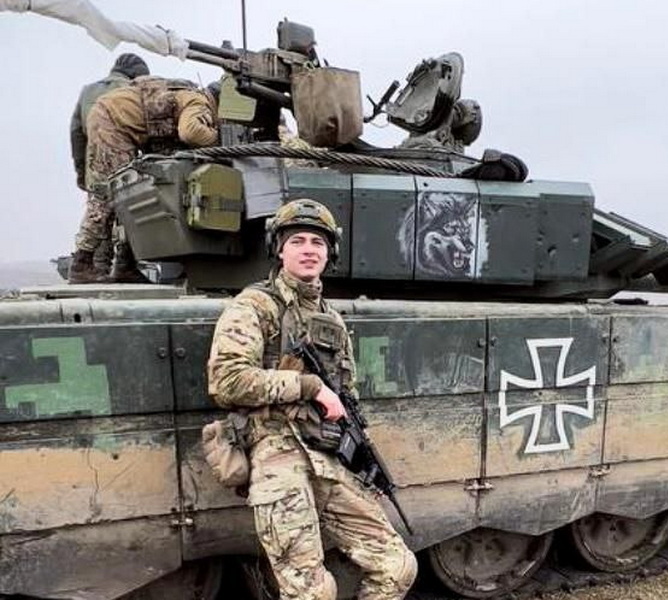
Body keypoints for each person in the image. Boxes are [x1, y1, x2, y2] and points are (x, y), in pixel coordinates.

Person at [207, 199, 417, 600]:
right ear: (279, 249)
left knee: (397, 566)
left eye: (318, 242)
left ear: (329, 253)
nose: (308, 249)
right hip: (276, 454)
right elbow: (227, 381)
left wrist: (362, 463)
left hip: (326, 456)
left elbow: (347, 398)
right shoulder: (255, 306)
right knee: (312, 592)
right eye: (297, 241)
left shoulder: (331, 319)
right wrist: (310, 387)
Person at [68, 77, 221, 284]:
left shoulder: (184, 94)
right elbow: (190, 131)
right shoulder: (200, 102)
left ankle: (125, 264)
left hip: (113, 117)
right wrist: (216, 139)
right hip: (113, 122)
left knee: (132, 196)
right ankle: (81, 263)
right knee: (110, 194)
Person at [70, 54, 150, 277]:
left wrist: (81, 171)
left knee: (100, 211)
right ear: (137, 75)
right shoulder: (133, 91)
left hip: (93, 160)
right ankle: (123, 265)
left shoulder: (88, 91)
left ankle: (97, 268)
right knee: (126, 209)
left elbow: (76, 133)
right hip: (122, 159)